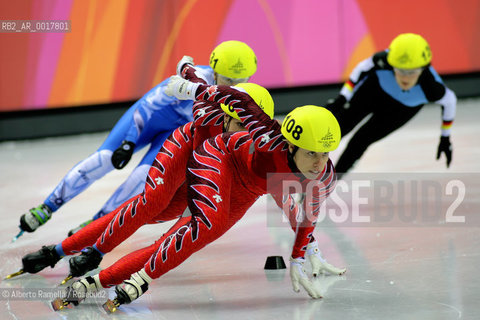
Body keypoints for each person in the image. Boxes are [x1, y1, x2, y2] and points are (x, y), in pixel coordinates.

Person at [55, 76, 343, 309]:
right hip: (215, 157)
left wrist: (301, 253)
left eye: (325, 154)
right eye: (311, 154)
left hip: (243, 186)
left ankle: (96, 282)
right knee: (157, 208)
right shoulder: (257, 134)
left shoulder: (323, 176)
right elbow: (238, 100)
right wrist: (192, 87)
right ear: (290, 145)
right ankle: (89, 255)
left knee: (187, 236)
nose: (319, 163)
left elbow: (304, 212)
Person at [16, 40, 258, 239]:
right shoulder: (194, 80)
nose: (235, 88)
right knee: (106, 159)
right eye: (228, 80)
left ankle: (94, 226)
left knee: (141, 179)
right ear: (214, 73)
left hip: (175, 133)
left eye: (242, 81)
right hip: (150, 119)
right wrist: (128, 142)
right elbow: (147, 109)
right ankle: (47, 207)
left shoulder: (244, 100)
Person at [325, 33, 457, 177]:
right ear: (392, 65)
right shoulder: (383, 60)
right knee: (337, 129)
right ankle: (302, 171)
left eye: (412, 72)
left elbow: (450, 102)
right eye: (400, 70)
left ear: (424, 68)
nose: (405, 77)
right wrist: (342, 98)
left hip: (401, 110)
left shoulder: (432, 87)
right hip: (373, 91)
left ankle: (330, 183)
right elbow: (361, 69)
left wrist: (445, 137)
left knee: (360, 141)